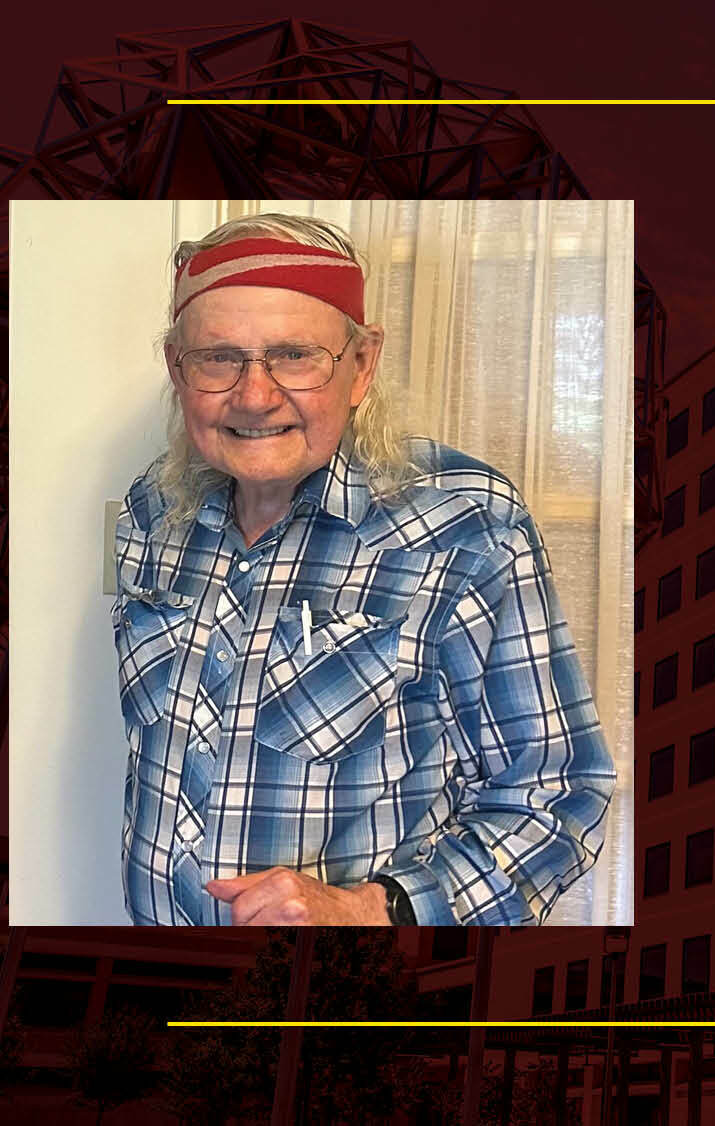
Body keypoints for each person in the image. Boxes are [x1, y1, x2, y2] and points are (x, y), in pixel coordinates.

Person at [110, 213, 615, 926]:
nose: (255, 397)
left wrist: (374, 914)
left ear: (362, 365)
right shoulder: (149, 512)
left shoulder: (466, 525)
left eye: (295, 356)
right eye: (218, 358)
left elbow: (559, 791)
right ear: (176, 369)